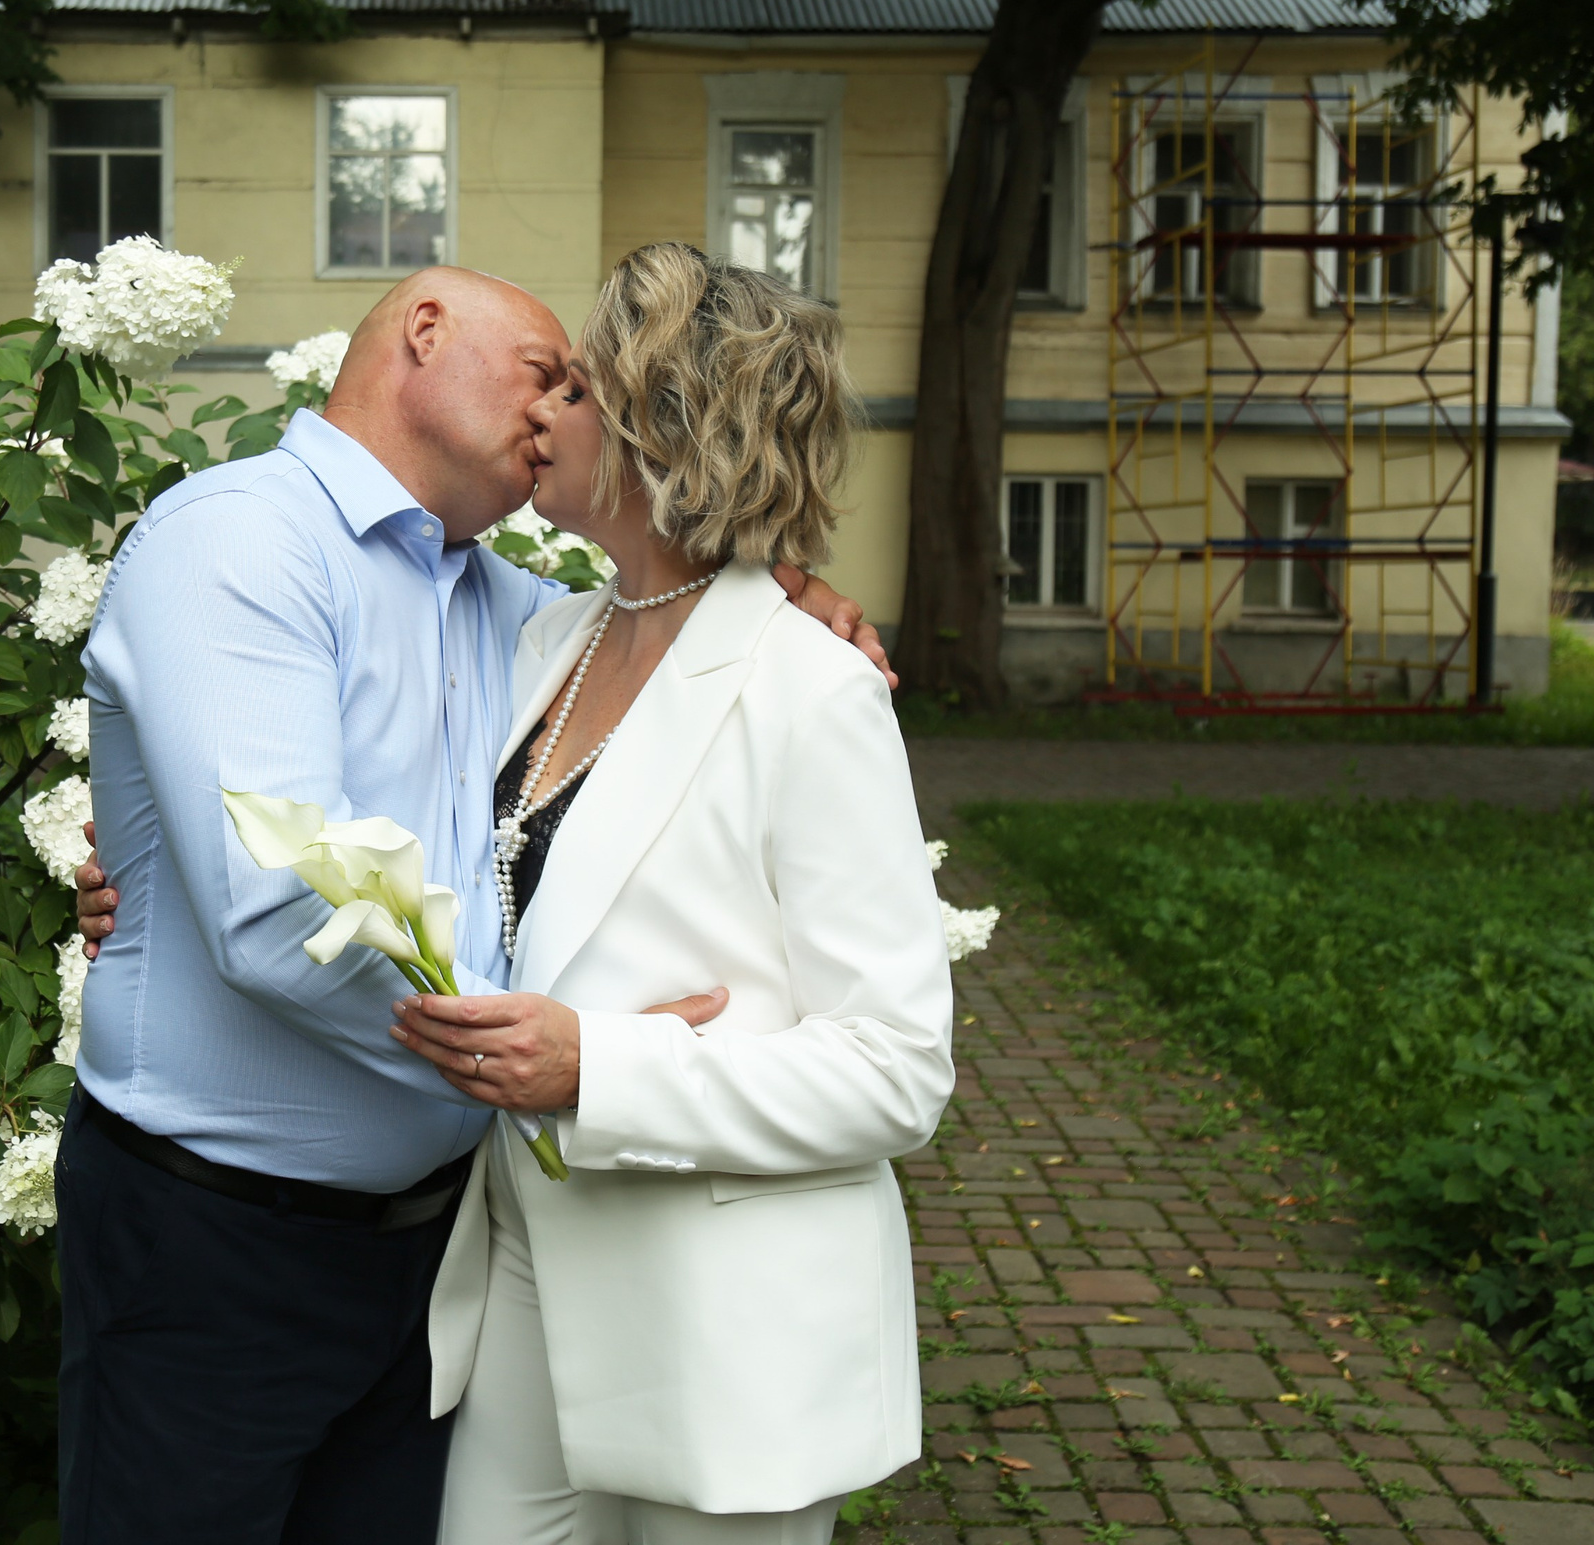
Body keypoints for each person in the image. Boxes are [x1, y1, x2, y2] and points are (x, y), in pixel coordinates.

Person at [58, 265, 893, 1545]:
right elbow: (274, 912)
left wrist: (784, 583)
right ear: (424, 331)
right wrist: (553, 1061)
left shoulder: (514, 611)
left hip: (444, 1263)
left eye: (581, 387)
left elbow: (682, 638)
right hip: (222, 1239)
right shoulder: (239, 541)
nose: (552, 408)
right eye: (542, 372)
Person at [386, 242, 956, 1545]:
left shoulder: (811, 695)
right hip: (530, 1263)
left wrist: (603, 1069)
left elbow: (899, 1069)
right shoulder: (547, 638)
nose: (539, 410)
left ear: (662, 430)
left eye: (574, 389)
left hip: (726, 1327)